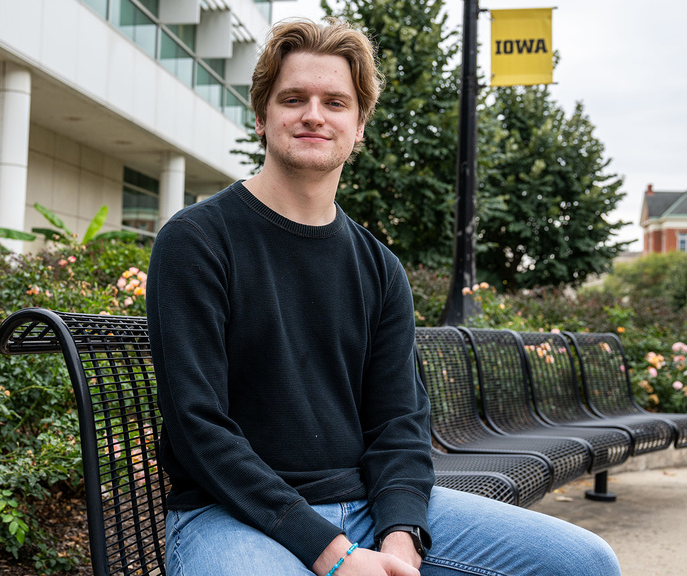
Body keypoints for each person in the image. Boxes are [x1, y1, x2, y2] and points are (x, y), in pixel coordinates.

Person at [145, 16, 621, 576]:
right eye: (293, 98)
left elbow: (399, 423)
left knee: (584, 563)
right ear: (261, 117)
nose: (314, 115)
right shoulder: (198, 240)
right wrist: (334, 554)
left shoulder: (378, 266)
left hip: (369, 509)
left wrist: (401, 539)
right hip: (231, 516)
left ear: (360, 124)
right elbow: (199, 427)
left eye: (336, 102)